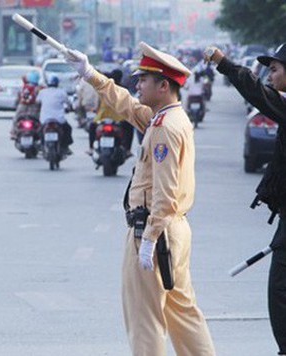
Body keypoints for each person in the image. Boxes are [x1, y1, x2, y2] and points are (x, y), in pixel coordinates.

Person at [66, 42, 216, 356]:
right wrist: (90, 73)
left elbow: (166, 192)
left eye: (144, 79)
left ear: (163, 86)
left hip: (154, 231)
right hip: (175, 231)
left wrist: (148, 238)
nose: (137, 84)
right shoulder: (169, 118)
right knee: (182, 311)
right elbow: (126, 105)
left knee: (145, 318)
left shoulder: (162, 128)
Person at [205, 43, 286, 356]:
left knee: (284, 297)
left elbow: (257, 94)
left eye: (274, 69)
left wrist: (224, 63)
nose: (269, 75)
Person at [86, 70, 133, 156]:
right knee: (129, 128)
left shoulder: (103, 89)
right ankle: (127, 150)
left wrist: (94, 109)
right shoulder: (124, 90)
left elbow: (97, 105)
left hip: (102, 117)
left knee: (92, 126)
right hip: (119, 118)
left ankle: (91, 148)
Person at [36, 76, 73, 154]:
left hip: (45, 119)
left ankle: (41, 143)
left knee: (39, 129)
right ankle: (65, 146)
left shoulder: (42, 92)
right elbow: (68, 104)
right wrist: (69, 109)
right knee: (68, 128)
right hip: (58, 119)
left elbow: (37, 102)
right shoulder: (62, 92)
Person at [11, 71, 43, 139]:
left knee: (15, 119)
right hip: (34, 111)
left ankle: (13, 133)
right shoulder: (39, 89)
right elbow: (41, 101)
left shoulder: (23, 88)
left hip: (22, 109)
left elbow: (17, 99)